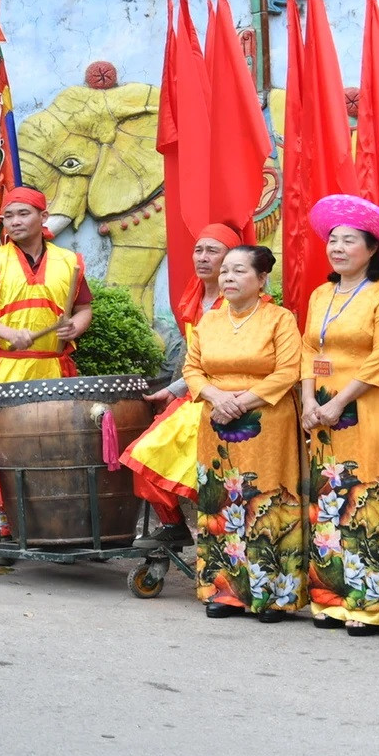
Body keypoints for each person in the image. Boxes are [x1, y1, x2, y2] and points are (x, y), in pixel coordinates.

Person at [185, 245, 306, 619]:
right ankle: (225, 590)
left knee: (265, 499)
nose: (228, 278)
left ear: (261, 279)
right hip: (217, 420)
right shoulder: (210, 320)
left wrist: (244, 401)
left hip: (267, 420)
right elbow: (192, 369)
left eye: (238, 271)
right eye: (224, 272)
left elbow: (289, 370)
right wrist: (218, 397)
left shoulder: (279, 319)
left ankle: (273, 594)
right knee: (222, 502)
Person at [0, 187, 93, 520]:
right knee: (4, 449)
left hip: (54, 371)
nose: (15, 222)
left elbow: (84, 307)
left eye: (24, 214)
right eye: (9, 216)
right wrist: (7, 333)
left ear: (43, 217)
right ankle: (5, 526)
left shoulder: (69, 261)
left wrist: (76, 326)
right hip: (6, 371)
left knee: (56, 448)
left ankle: (55, 524)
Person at [300, 195, 379, 633]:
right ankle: (330, 598)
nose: (337, 248)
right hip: (321, 410)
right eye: (333, 240)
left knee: (368, 495)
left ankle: (369, 605)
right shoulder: (322, 293)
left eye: (348, 241)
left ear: (372, 249)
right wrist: (308, 401)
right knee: (328, 499)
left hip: (367, 403)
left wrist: (340, 401)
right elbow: (308, 350)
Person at [126, 222, 248, 538]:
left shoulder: (242, 302)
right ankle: (173, 525)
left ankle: (223, 536)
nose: (203, 257)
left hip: (228, 400)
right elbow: (196, 360)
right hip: (193, 394)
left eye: (213, 251)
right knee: (143, 458)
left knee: (205, 476)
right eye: (199, 250)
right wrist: (171, 389)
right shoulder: (193, 295)